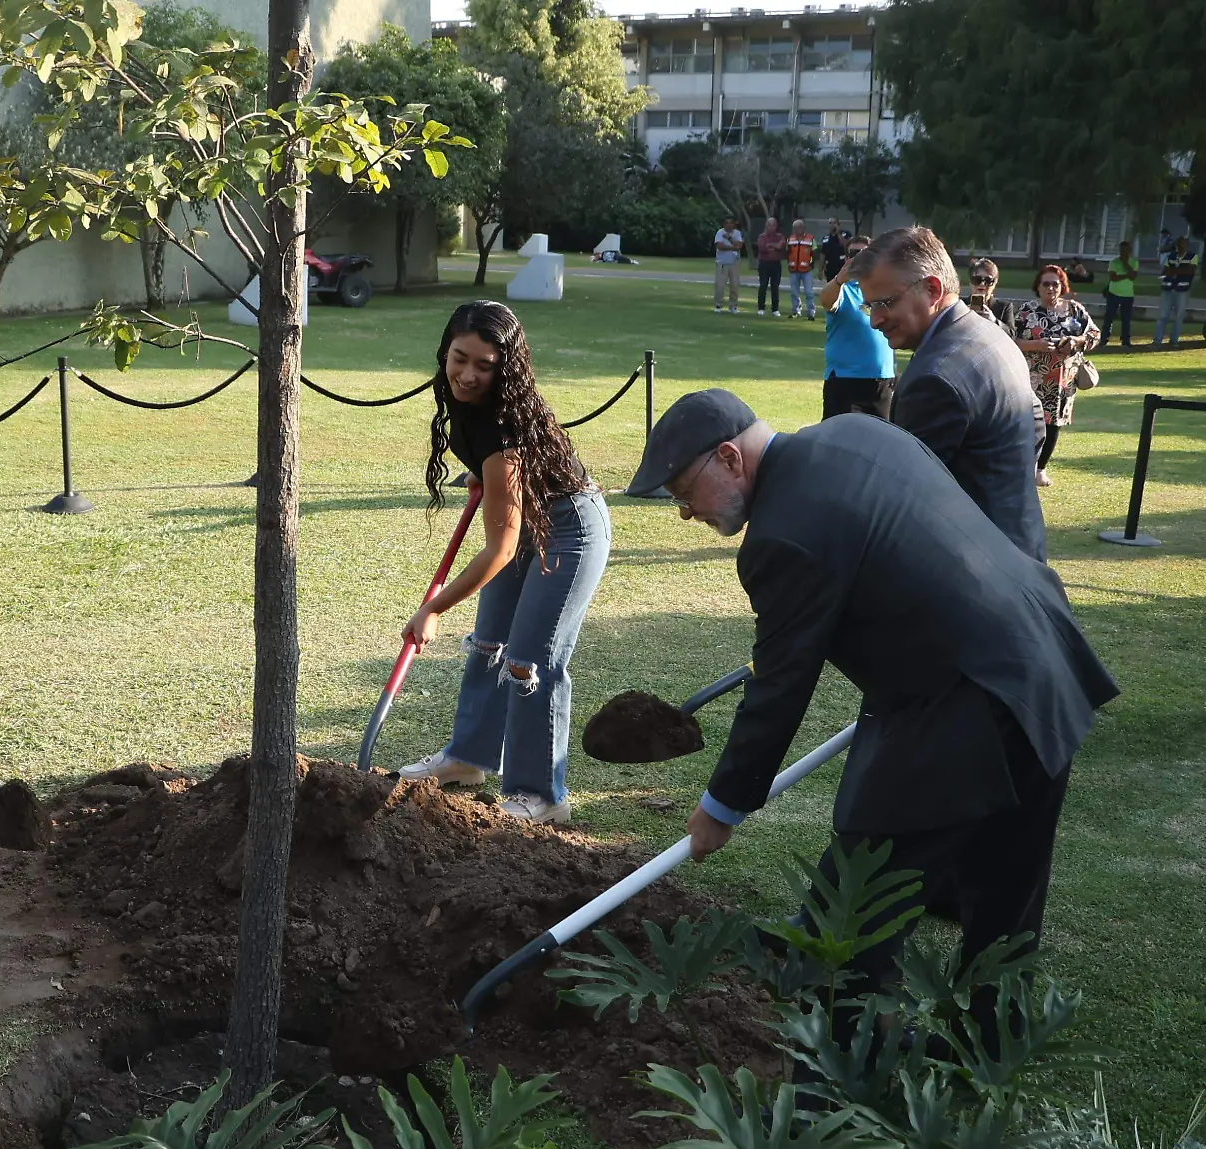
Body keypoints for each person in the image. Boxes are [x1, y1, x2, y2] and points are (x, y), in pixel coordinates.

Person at [625, 389, 1117, 1045]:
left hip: (970, 693)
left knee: (870, 862)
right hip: (1039, 648)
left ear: (728, 458)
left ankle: (846, 1046)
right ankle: (990, 1036)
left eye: (686, 491)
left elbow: (780, 686)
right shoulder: (856, 433)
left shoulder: (783, 534)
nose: (685, 511)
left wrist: (720, 807)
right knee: (1006, 876)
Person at [397, 301, 611, 825]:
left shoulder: (505, 425)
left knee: (529, 660)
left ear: (506, 367)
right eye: (458, 358)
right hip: (531, 515)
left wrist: (435, 608)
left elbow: (500, 549)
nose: (467, 375)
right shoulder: (463, 403)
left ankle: (541, 795)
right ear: (444, 351)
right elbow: (501, 477)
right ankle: (467, 759)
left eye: (484, 365)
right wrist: (490, 484)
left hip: (568, 531)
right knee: (490, 644)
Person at [853, 226, 1047, 561]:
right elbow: (1036, 423)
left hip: (978, 573)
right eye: (869, 306)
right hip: (1021, 552)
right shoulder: (991, 334)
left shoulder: (934, 378)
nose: (875, 320)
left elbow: (905, 504)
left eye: (884, 303)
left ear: (931, 288)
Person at [1012, 264, 1101, 488]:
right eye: (1046, 283)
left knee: (1053, 424)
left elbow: (1094, 334)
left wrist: (1075, 341)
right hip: (1032, 378)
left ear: (1062, 286)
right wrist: (1036, 345)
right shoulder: (1026, 311)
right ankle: (1022, 467)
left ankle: (1040, 469)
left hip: (1062, 381)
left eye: (1055, 284)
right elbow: (1011, 340)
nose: (1051, 288)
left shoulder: (1075, 310)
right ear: (1038, 287)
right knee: (1027, 423)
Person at [815, 236, 895, 420]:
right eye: (854, 253)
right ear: (846, 257)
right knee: (840, 441)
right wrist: (839, 280)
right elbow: (826, 299)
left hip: (881, 380)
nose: (859, 258)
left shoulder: (884, 290)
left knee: (882, 442)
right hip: (845, 380)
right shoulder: (842, 289)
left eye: (864, 253)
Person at [1154, 233, 1198, 346]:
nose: (1180, 246)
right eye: (1178, 244)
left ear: (1187, 245)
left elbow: (1189, 271)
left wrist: (1173, 271)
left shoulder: (1192, 257)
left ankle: (1174, 340)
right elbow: (1165, 271)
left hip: (1182, 289)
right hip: (1168, 288)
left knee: (1179, 316)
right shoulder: (1171, 256)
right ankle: (1157, 340)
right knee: (1163, 316)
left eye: (1182, 243)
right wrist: (1178, 271)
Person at [963, 258, 1018, 335]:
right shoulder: (960, 305)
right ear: (970, 282)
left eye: (988, 281)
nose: (982, 284)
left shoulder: (1004, 307)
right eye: (977, 280)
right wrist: (963, 317)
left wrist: (993, 320)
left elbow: (1012, 336)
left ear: (995, 283)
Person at [1101, 241, 1138, 348]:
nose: (1124, 252)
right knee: (1109, 317)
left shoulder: (1134, 262)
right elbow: (1113, 278)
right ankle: (1104, 339)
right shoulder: (1114, 262)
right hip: (1114, 293)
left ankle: (1125, 340)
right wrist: (1127, 275)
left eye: (1126, 250)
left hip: (1128, 295)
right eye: (1122, 250)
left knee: (1126, 319)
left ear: (1129, 250)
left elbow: (1133, 277)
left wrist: (1126, 265)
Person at [785, 219, 818, 319]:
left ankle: (811, 312)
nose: (797, 229)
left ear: (803, 228)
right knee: (794, 292)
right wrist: (789, 264)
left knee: (809, 292)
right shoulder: (790, 239)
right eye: (795, 227)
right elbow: (787, 253)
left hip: (807, 269)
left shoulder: (811, 239)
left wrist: (812, 263)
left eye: (799, 227)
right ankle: (796, 311)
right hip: (793, 269)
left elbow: (815, 252)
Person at [754, 217, 786, 317]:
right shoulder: (761, 237)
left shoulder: (780, 236)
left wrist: (771, 245)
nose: (771, 227)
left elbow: (782, 246)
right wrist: (775, 246)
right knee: (763, 285)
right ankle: (761, 308)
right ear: (766, 226)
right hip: (764, 263)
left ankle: (775, 309)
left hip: (776, 264)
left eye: (773, 225)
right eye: (769, 225)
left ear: (776, 226)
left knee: (775, 286)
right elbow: (762, 248)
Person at [713, 216, 745, 313]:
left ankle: (733, 306)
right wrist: (733, 247)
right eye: (727, 223)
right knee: (720, 286)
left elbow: (739, 245)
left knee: (734, 285)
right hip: (722, 263)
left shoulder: (737, 233)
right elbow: (720, 246)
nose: (729, 225)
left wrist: (730, 239)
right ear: (724, 224)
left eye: (731, 222)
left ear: (734, 224)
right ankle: (718, 306)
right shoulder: (720, 232)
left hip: (734, 263)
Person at [820, 218, 850, 282]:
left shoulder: (845, 234)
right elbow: (823, 254)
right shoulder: (826, 238)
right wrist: (821, 269)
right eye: (830, 223)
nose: (832, 225)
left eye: (834, 223)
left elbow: (845, 246)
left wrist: (838, 233)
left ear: (838, 224)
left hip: (841, 265)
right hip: (830, 267)